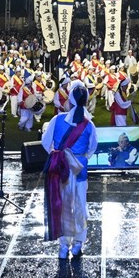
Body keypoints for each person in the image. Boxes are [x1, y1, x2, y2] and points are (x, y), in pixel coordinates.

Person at [42, 80, 98, 259]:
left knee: (63, 206)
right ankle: (78, 244)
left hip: (61, 169)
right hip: (80, 171)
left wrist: (57, 155)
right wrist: (79, 159)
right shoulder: (89, 125)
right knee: (80, 206)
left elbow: (45, 142)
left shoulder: (57, 120)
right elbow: (92, 148)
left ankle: (63, 247)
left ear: (70, 100)